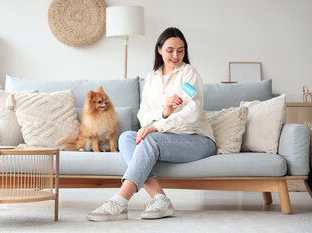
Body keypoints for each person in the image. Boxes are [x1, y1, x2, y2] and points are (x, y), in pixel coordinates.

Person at [86, 27, 216, 222]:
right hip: (166, 138)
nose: (175, 55)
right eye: (170, 50)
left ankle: (120, 201)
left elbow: (193, 114)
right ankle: (160, 199)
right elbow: (144, 116)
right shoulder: (152, 78)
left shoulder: (189, 73)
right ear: (159, 50)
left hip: (196, 140)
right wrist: (164, 112)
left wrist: (156, 126)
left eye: (180, 50)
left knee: (150, 138)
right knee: (127, 137)